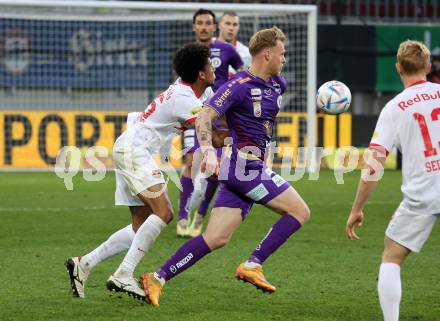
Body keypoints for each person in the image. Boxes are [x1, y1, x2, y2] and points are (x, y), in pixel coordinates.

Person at [140, 26, 311, 307]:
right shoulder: (238, 85)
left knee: (216, 237)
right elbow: (206, 115)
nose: (285, 59)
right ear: (267, 53)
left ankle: (157, 277)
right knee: (300, 211)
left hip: (246, 168)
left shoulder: (278, 85)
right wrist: (207, 149)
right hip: (242, 165)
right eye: (282, 53)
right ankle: (253, 263)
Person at [65, 43, 219, 299]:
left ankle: (84, 264)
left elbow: (212, 108)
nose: (213, 67)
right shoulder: (184, 97)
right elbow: (207, 127)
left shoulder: (191, 90)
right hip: (135, 149)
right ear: (201, 73)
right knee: (164, 212)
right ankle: (123, 274)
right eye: (209, 63)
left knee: (140, 225)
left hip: (130, 147)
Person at [346, 40, 440, 321]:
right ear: (428, 67)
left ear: (398, 68)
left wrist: (357, 208)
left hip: (424, 194)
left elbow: (374, 165)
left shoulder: (394, 108)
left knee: (392, 257)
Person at [178, 8, 244, 238]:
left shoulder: (227, 50)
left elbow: (243, 74)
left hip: (222, 118)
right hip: (195, 114)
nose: (204, 26)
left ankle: (200, 216)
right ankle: (182, 217)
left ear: (214, 26)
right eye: (200, 23)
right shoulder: (188, 53)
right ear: (194, 26)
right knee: (190, 161)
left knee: (216, 170)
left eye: (208, 23)